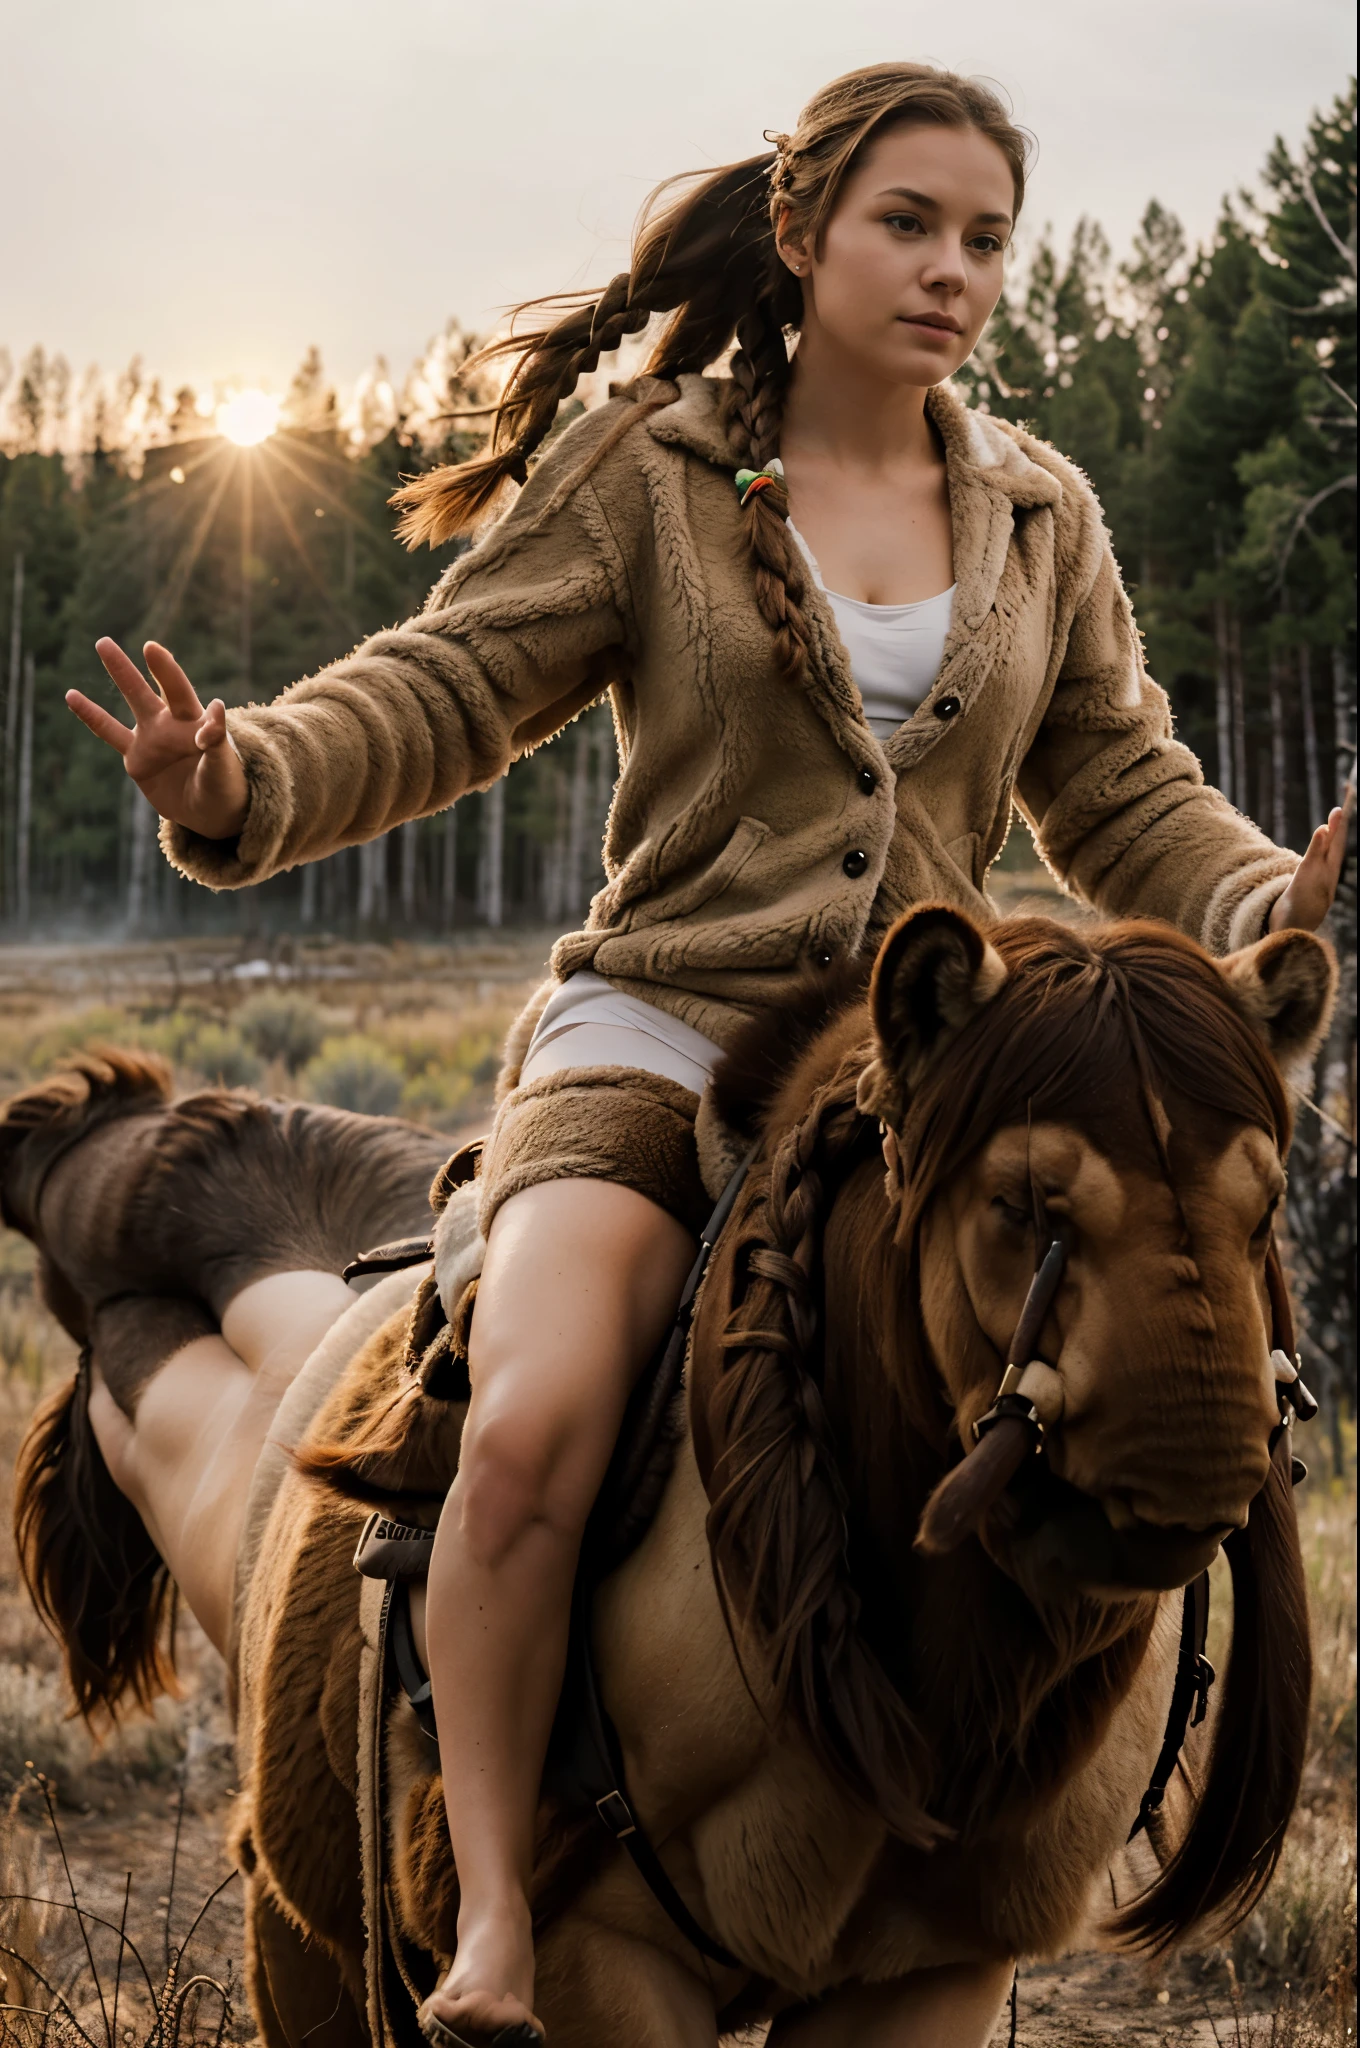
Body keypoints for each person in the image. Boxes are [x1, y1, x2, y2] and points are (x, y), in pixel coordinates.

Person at [68, 60, 1348, 2048]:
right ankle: (491, 1901)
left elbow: (1122, 788)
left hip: (932, 1067)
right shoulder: (647, 474)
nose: (952, 274)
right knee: (526, 1425)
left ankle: (982, 1843)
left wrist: (1273, 895)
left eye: (986, 241)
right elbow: (453, 684)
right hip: (654, 1035)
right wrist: (240, 772)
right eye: (907, 226)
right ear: (802, 234)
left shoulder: (1035, 511)